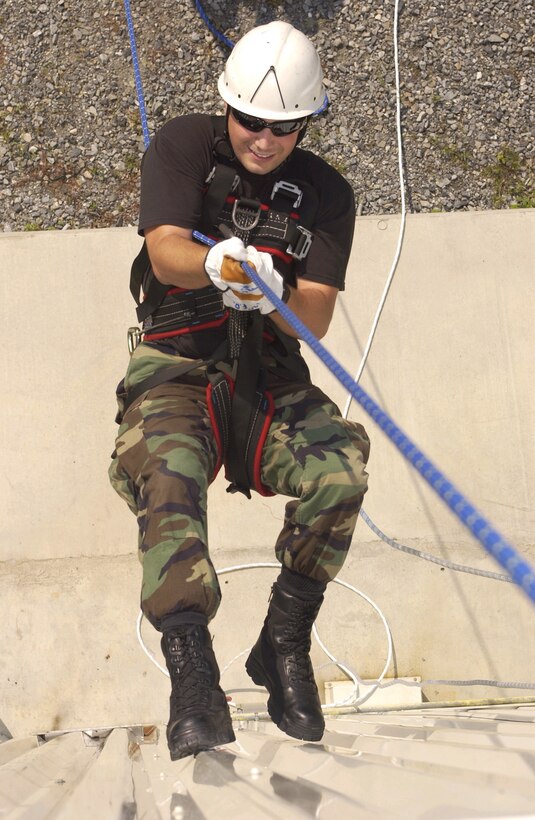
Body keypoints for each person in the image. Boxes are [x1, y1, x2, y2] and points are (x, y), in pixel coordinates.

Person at [109, 20, 370, 761]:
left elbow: (314, 312)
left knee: (339, 472)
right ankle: (193, 670)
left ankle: (282, 642)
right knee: (168, 474)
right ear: (227, 107)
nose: (264, 138)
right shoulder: (184, 145)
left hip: (269, 371)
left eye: (283, 126)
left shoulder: (325, 193)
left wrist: (276, 289)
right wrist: (219, 264)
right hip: (177, 363)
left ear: (306, 122)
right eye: (251, 120)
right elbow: (163, 250)